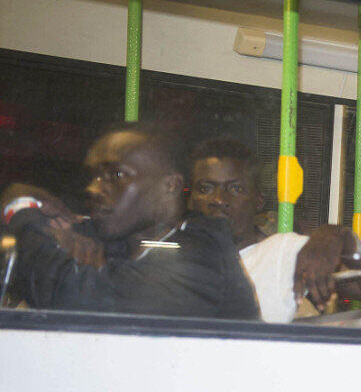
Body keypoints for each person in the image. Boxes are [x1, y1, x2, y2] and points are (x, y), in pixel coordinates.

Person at [1, 123, 259, 319]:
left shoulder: (199, 260)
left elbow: (65, 294)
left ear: (169, 185)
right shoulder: (128, 242)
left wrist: (19, 206)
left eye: (116, 174)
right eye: (95, 175)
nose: (93, 188)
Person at [187, 137, 361, 323]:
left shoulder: (282, 252)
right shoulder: (174, 260)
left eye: (235, 188)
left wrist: (340, 237)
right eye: (205, 188)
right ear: (190, 199)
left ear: (258, 200)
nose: (219, 199)